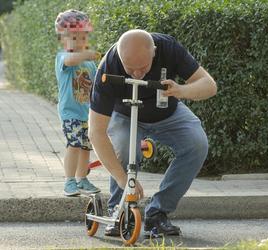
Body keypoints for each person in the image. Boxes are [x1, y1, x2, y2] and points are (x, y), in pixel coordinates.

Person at [89, 29, 217, 236]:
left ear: (154, 53)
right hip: (125, 115)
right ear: (120, 57)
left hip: (168, 112)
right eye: (130, 69)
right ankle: (119, 210)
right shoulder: (108, 66)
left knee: (197, 143)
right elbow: (96, 133)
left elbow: (209, 86)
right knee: (124, 146)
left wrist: (181, 90)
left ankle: (158, 213)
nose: (137, 74)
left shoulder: (169, 48)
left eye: (143, 68)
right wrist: (123, 179)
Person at [54, 9, 101, 196]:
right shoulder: (63, 58)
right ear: (64, 39)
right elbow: (72, 60)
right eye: (74, 38)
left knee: (85, 147)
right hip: (70, 112)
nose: (79, 42)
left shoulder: (90, 64)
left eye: (82, 38)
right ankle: (69, 181)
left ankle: (82, 179)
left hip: (87, 112)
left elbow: (97, 84)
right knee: (73, 145)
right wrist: (85, 54)